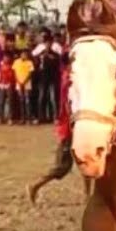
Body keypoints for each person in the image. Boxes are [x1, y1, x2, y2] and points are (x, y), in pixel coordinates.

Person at [26, 55, 74, 202]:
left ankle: (88, 195)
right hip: (70, 126)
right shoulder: (69, 79)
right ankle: (36, 185)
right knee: (62, 166)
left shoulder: (67, 77)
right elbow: (67, 103)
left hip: (70, 125)